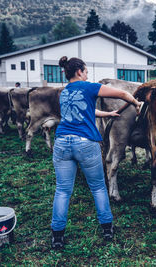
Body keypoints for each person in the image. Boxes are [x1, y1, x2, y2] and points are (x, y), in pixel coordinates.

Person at [50, 56, 142, 249]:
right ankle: (107, 228)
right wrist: (136, 102)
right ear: (79, 72)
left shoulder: (64, 92)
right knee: (99, 187)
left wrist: (107, 114)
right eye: (86, 72)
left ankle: (57, 235)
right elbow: (121, 94)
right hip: (85, 143)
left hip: (61, 144)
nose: (87, 75)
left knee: (63, 191)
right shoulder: (89, 87)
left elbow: (82, 111)